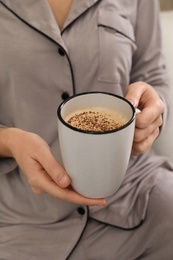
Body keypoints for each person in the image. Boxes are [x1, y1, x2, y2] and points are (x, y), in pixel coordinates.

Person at [0, 0, 173, 259]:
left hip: (135, 193)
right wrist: (8, 141)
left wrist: (153, 114)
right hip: (26, 219)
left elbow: (153, 75)